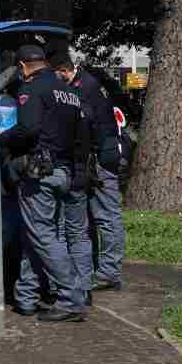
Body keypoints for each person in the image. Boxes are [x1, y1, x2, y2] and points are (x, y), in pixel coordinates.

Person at [0, 44, 89, 322]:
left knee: (44, 238)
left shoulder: (32, 88)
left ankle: (72, 299)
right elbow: (80, 137)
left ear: (23, 67)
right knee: (37, 236)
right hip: (63, 172)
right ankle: (26, 297)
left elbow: (28, 130)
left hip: (40, 172)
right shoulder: (71, 92)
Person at [53, 51, 127, 293]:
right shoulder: (84, 81)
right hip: (98, 155)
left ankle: (109, 272)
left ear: (64, 71)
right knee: (96, 217)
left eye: (56, 75)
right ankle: (101, 267)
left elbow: (81, 125)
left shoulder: (85, 88)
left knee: (107, 216)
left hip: (101, 158)